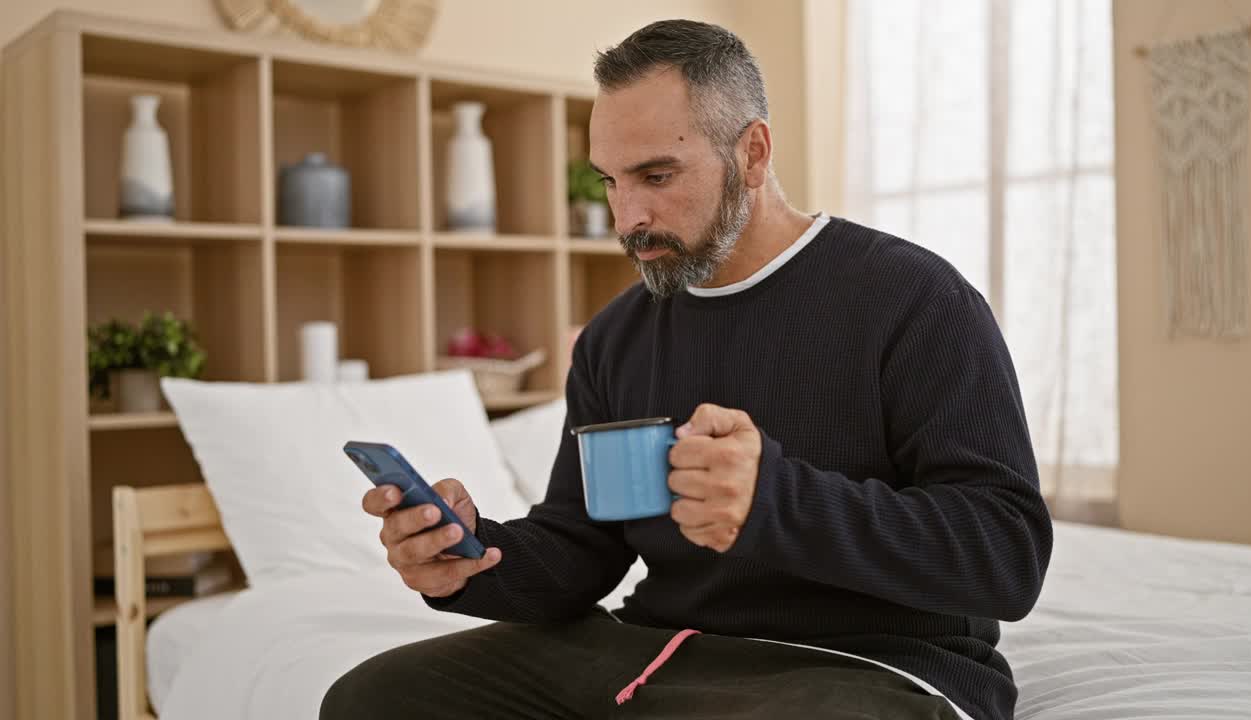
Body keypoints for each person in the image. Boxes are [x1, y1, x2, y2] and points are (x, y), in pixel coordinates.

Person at [321, 18, 1052, 720]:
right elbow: (583, 546)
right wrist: (472, 559)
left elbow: (1007, 556)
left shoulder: (915, 299)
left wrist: (777, 501)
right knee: (372, 700)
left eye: (657, 175)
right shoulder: (616, 338)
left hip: (860, 668)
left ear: (754, 154)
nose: (627, 215)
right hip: (660, 654)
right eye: (609, 180)